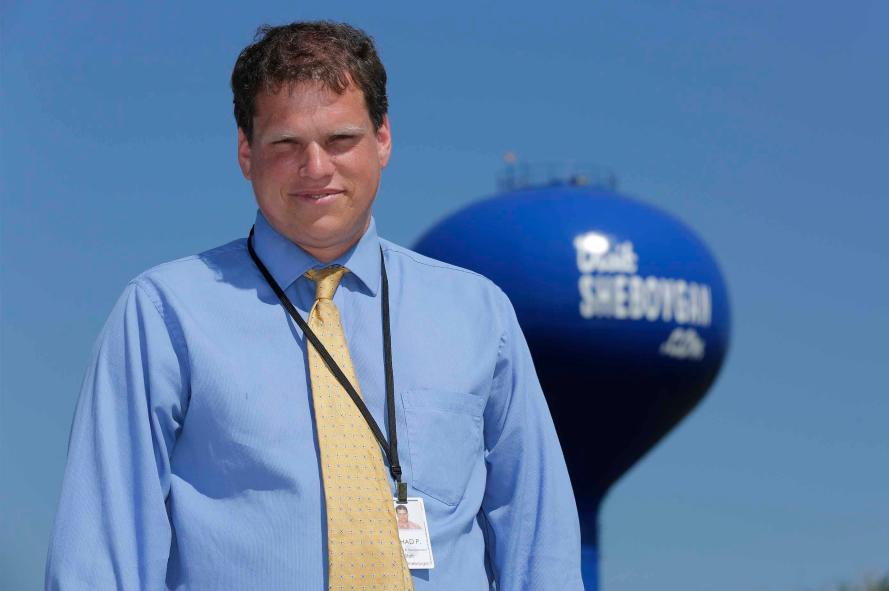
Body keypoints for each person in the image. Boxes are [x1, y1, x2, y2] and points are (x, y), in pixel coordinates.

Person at [45, 20, 583, 591]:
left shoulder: (480, 314)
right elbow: (101, 559)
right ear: (245, 153)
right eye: (286, 144)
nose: (316, 168)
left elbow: (538, 544)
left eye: (341, 140)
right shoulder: (161, 315)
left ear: (383, 140)